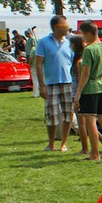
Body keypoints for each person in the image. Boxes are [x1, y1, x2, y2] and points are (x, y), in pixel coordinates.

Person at [74, 20, 102, 162]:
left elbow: (85, 73)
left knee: (90, 122)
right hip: (101, 86)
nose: (83, 37)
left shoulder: (89, 50)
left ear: (89, 33)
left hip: (89, 89)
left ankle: (95, 153)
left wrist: (78, 93)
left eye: (83, 34)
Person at [35, 16, 74, 152]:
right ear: (56, 27)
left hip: (67, 83)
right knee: (51, 115)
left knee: (68, 114)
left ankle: (63, 143)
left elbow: (73, 63)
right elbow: (38, 64)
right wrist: (41, 86)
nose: (67, 28)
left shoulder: (69, 43)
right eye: (65, 26)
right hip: (50, 84)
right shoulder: (43, 42)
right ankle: (51, 143)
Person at [69, 35, 89, 155]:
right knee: (85, 123)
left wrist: (78, 95)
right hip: (76, 92)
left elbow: (81, 79)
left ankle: (85, 148)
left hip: (78, 93)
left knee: (82, 123)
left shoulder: (79, 61)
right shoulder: (78, 60)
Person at [25, 29, 39, 97]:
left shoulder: (34, 49)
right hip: (37, 64)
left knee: (35, 79)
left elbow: (31, 57)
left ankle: (36, 93)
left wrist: (29, 64)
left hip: (34, 64)